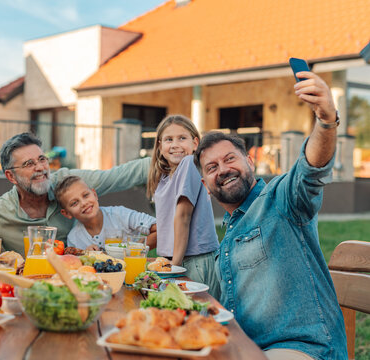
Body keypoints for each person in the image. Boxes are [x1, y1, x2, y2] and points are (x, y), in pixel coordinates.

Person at [193, 71, 347, 360]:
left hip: (306, 349)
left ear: (249, 162)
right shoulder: (230, 230)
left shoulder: (281, 198)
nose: (222, 169)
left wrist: (326, 121)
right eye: (211, 168)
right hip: (247, 349)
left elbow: (310, 171)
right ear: (206, 185)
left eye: (229, 159)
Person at [0, 132, 150, 255]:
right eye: (29, 164)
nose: (40, 168)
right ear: (10, 176)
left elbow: (120, 176)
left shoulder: (69, 183)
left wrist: (170, 157)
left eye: (42, 159)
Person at [146, 115, 220, 299]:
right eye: (169, 139)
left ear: (195, 143)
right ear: (160, 146)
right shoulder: (164, 178)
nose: (175, 144)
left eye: (182, 138)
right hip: (172, 259)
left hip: (193, 261)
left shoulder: (189, 163)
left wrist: (175, 266)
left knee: (199, 316)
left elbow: (183, 217)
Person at [54, 175, 157, 250]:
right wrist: (85, 255)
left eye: (85, 195)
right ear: (67, 213)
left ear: (94, 194)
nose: (84, 203)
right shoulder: (74, 239)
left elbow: (160, 229)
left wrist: (135, 250)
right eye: (74, 203)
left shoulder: (120, 215)